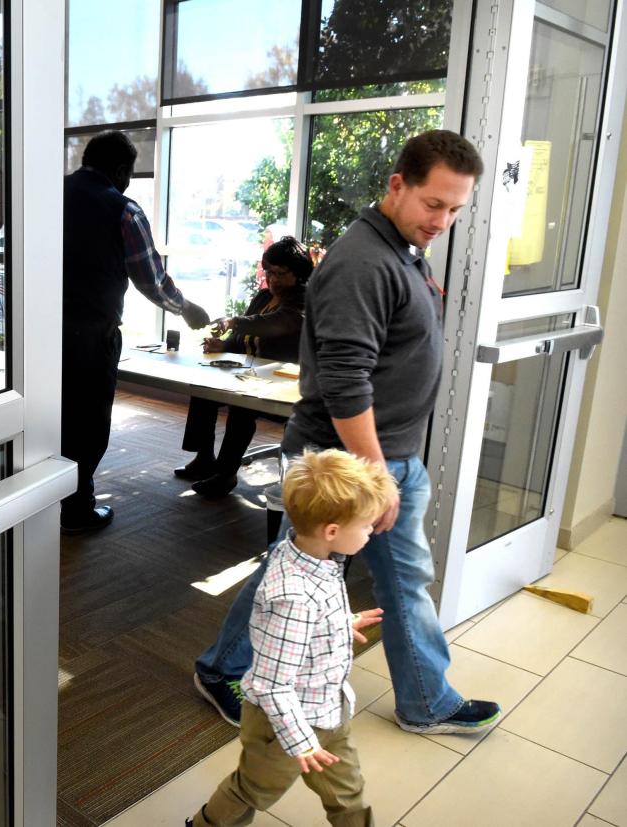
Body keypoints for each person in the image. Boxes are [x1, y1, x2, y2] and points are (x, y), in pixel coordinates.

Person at [193, 130, 502, 737]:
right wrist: (379, 477)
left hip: (379, 458)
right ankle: (222, 668)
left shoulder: (404, 250)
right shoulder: (362, 262)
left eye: (456, 209)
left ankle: (424, 699)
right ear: (397, 186)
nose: (443, 220)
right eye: (433, 204)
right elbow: (344, 381)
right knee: (300, 574)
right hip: (345, 463)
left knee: (387, 577)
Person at [188, 449, 393, 827]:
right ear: (332, 531)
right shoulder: (293, 597)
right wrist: (301, 742)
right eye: (366, 526)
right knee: (252, 790)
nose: (370, 533)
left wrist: (339, 623)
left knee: (348, 790)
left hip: (328, 709)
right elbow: (270, 684)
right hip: (284, 726)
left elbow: (300, 629)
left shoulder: (303, 552)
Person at [61, 131, 210, 534]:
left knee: (52, 418)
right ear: (121, 169)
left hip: (42, 335)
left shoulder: (49, 193)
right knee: (88, 424)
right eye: (128, 172)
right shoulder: (122, 209)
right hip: (92, 336)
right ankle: (76, 510)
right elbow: (151, 279)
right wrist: (185, 308)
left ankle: (45, 504)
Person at [174, 237, 312, 498]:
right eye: (269, 272)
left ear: (299, 273)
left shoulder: (304, 301)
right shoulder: (263, 297)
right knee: (204, 388)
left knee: (241, 405)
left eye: (280, 273)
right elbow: (243, 337)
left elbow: (274, 324)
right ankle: (204, 459)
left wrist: (234, 322)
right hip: (253, 376)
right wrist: (223, 345)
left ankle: (225, 474)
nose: (273, 280)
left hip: (287, 383)